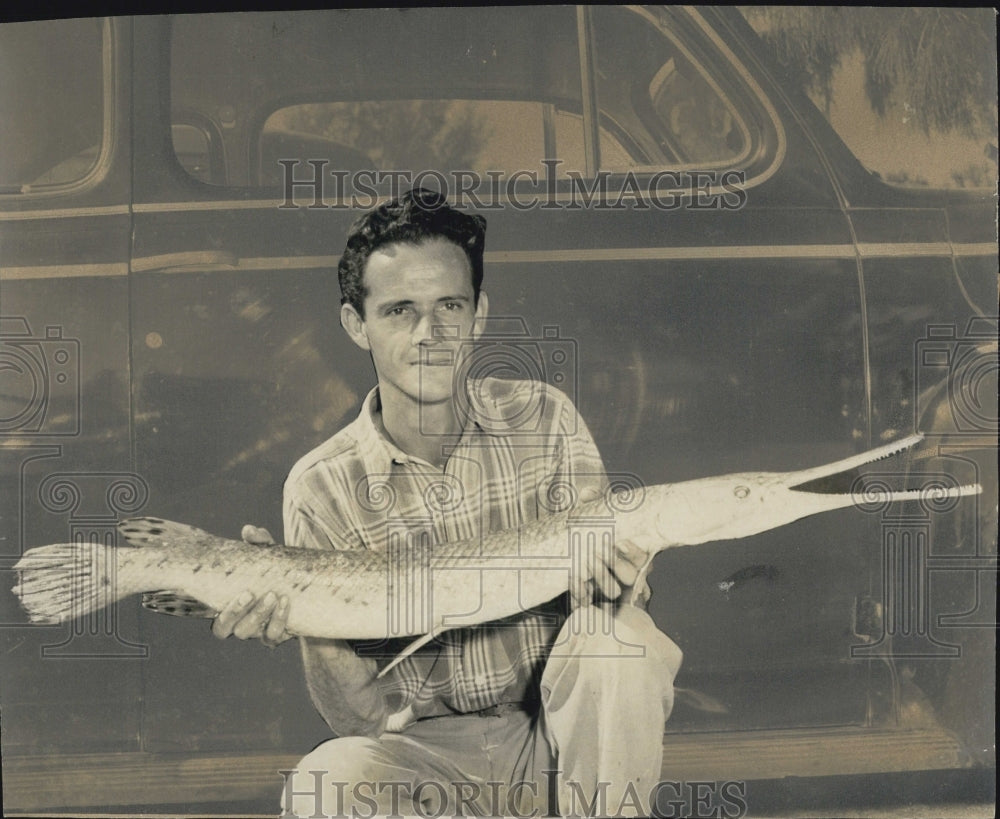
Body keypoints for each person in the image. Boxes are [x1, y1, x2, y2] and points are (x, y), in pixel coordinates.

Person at [214, 189, 682, 817]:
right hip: (424, 762)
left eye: (449, 306)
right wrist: (304, 619)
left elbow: (608, 628)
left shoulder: (544, 419)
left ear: (479, 314)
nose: (429, 334)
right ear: (357, 325)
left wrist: (619, 584)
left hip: (557, 750)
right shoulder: (319, 486)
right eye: (400, 310)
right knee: (324, 783)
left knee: (622, 639)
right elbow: (359, 718)